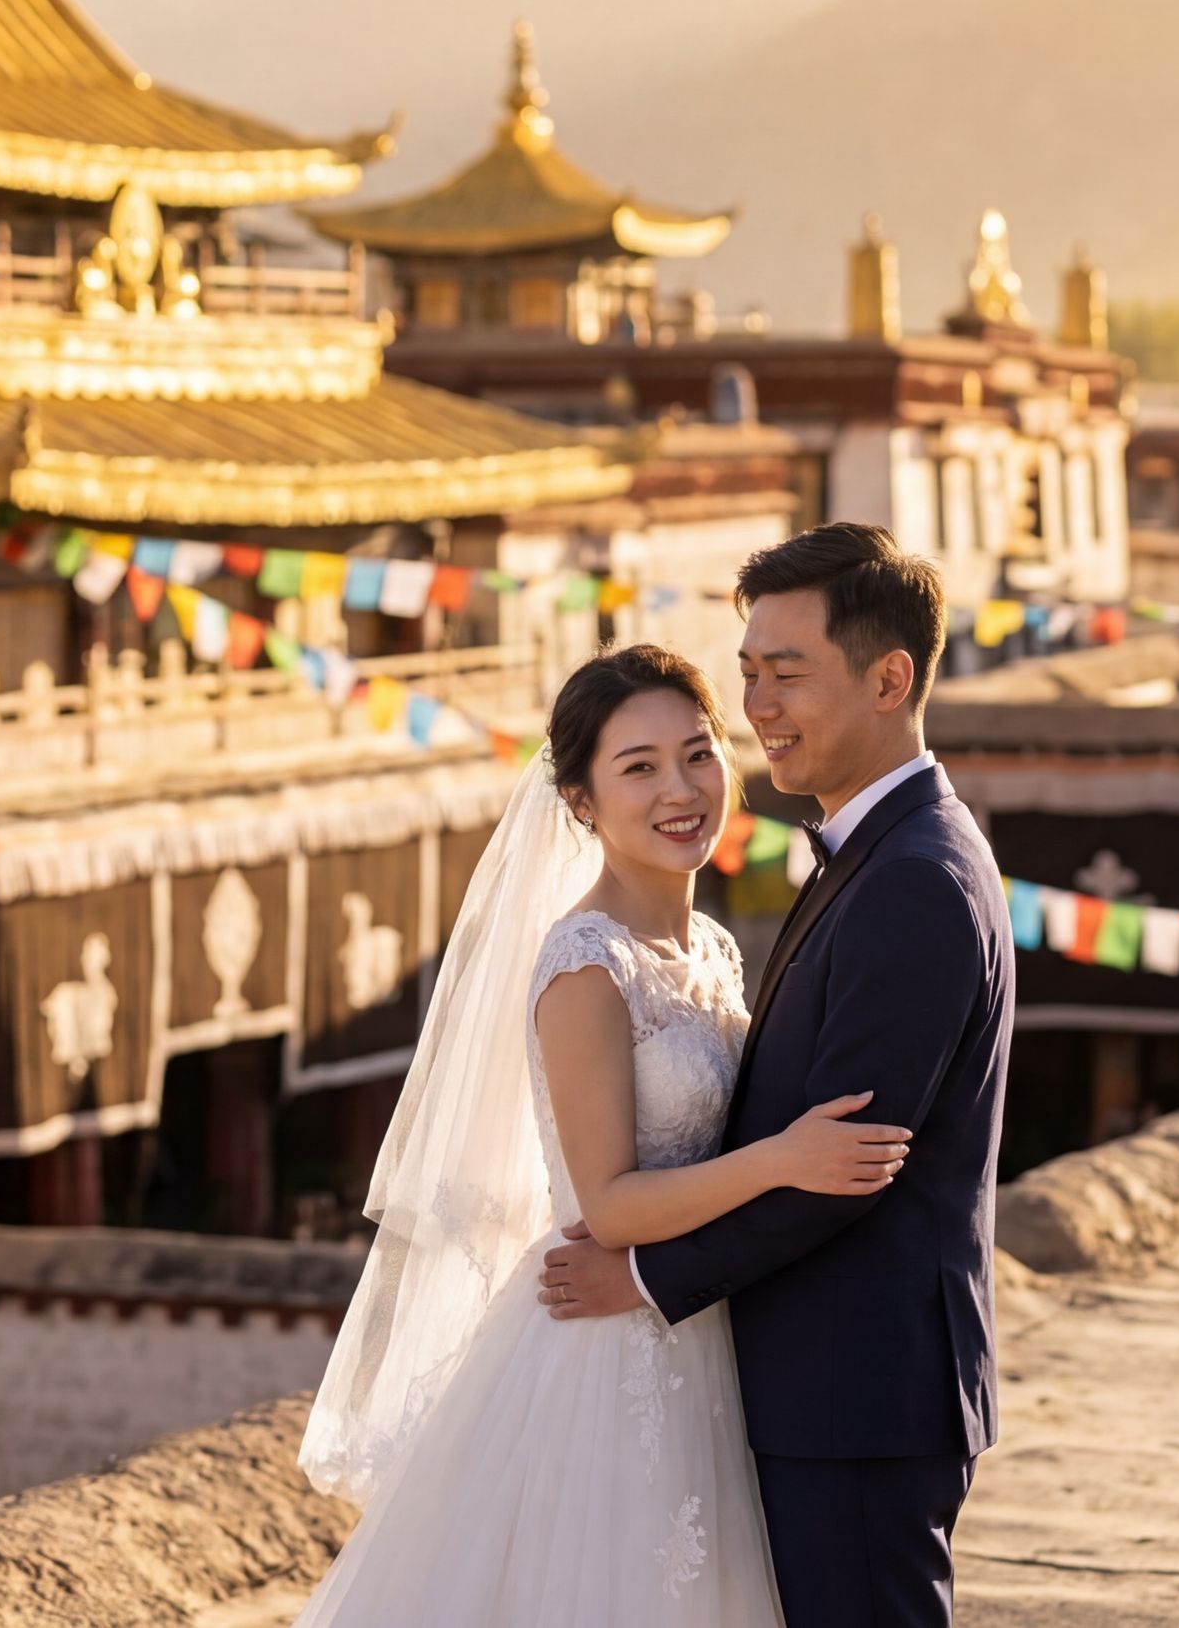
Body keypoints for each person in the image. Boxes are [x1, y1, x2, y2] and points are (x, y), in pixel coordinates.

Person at [294, 640, 911, 1625]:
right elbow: (610, 1203)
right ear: (580, 802)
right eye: (639, 767)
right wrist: (787, 1160)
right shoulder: (585, 968)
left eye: (698, 753)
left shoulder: (708, 945)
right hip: (604, 1350)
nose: (682, 788)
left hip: (704, 1329)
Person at [539, 523, 1015, 1628]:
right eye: (747, 674)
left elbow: (844, 1172)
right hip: (784, 1384)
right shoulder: (874, 853)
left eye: (786, 674)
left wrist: (650, 1280)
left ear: (890, 678)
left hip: (856, 1390)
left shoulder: (913, 879)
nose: (756, 709)